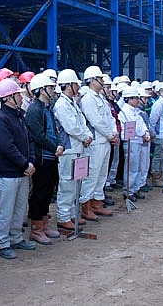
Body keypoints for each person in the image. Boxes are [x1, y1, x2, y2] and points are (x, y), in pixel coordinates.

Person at [0, 79, 36, 260]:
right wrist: (25, 164)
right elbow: (7, 147)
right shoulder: (0, 120)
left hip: (22, 170)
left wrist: (30, 161)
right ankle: (2, 243)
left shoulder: (19, 115)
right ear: (9, 98)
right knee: (5, 210)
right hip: (8, 173)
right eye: (17, 94)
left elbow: (29, 140)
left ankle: (15, 237)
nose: (20, 96)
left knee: (19, 208)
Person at [25, 73, 63, 246]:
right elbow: (37, 135)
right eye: (50, 88)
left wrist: (59, 144)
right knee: (39, 193)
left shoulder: (47, 108)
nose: (53, 90)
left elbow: (54, 130)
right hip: (43, 158)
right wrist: (54, 147)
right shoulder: (35, 110)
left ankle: (44, 224)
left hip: (51, 157)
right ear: (41, 90)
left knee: (48, 192)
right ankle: (36, 228)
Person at [53, 69, 92, 230]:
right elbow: (71, 127)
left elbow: (81, 122)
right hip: (69, 150)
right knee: (67, 184)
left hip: (78, 148)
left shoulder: (71, 103)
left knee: (76, 183)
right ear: (69, 85)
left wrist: (87, 135)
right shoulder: (62, 104)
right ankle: (63, 216)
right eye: (75, 83)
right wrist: (85, 137)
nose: (77, 86)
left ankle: (70, 214)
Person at [79, 66, 116, 220]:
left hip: (105, 140)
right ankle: (86, 206)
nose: (102, 81)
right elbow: (95, 121)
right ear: (92, 80)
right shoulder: (88, 98)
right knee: (92, 175)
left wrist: (114, 132)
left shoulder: (100, 97)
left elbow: (110, 117)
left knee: (102, 174)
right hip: (96, 142)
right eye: (100, 79)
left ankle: (97, 204)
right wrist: (110, 134)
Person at [118, 87, 150, 201]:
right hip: (131, 142)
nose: (137, 100)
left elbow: (141, 123)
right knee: (131, 168)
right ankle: (128, 190)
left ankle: (135, 188)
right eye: (135, 98)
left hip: (139, 141)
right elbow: (134, 126)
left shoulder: (135, 110)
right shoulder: (125, 111)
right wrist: (143, 134)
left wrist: (146, 132)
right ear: (128, 99)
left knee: (139, 167)